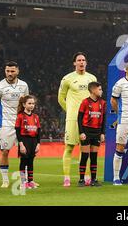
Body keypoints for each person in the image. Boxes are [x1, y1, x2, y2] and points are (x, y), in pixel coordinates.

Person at [58, 52, 97, 187]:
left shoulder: (92, 78)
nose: (81, 62)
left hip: (89, 119)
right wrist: (69, 111)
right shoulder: (67, 79)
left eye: (83, 60)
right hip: (73, 118)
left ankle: (86, 176)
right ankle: (67, 178)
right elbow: (60, 98)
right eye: (79, 60)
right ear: (74, 63)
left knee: (84, 148)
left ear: (86, 63)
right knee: (69, 147)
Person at [0, 61, 29, 188]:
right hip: (6, 123)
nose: (10, 73)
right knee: (5, 151)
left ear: (17, 71)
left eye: (12, 71)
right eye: (8, 71)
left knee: (25, 151)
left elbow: (26, 102)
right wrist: (1, 115)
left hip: (21, 122)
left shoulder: (23, 85)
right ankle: (5, 180)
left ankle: (26, 180)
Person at [77, 82, 106, 187]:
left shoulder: (102, 103)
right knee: (85, 156)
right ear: (93, 90)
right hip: (86, 131)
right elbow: (79, 118)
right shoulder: (85, 102)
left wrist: (102, 133)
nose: (101, 91)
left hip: (97, 132)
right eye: (100, 89)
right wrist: (81, 132)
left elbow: (103, 119)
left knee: (94, 156)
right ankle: (81, 180)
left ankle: (94, 179)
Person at [15, 95, 41, 189]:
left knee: (31, 161)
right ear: (24, 104)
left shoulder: (36, 117)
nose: (31, 105)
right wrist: (21, 145)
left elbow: (39, 131)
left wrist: (38, 144)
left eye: (33, 103)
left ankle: (30, 181)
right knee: (23, 161)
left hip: (33, 141)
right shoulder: (20, 116)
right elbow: (17, 132)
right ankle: (22, 182)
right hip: (24, 140)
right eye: (29, 103)